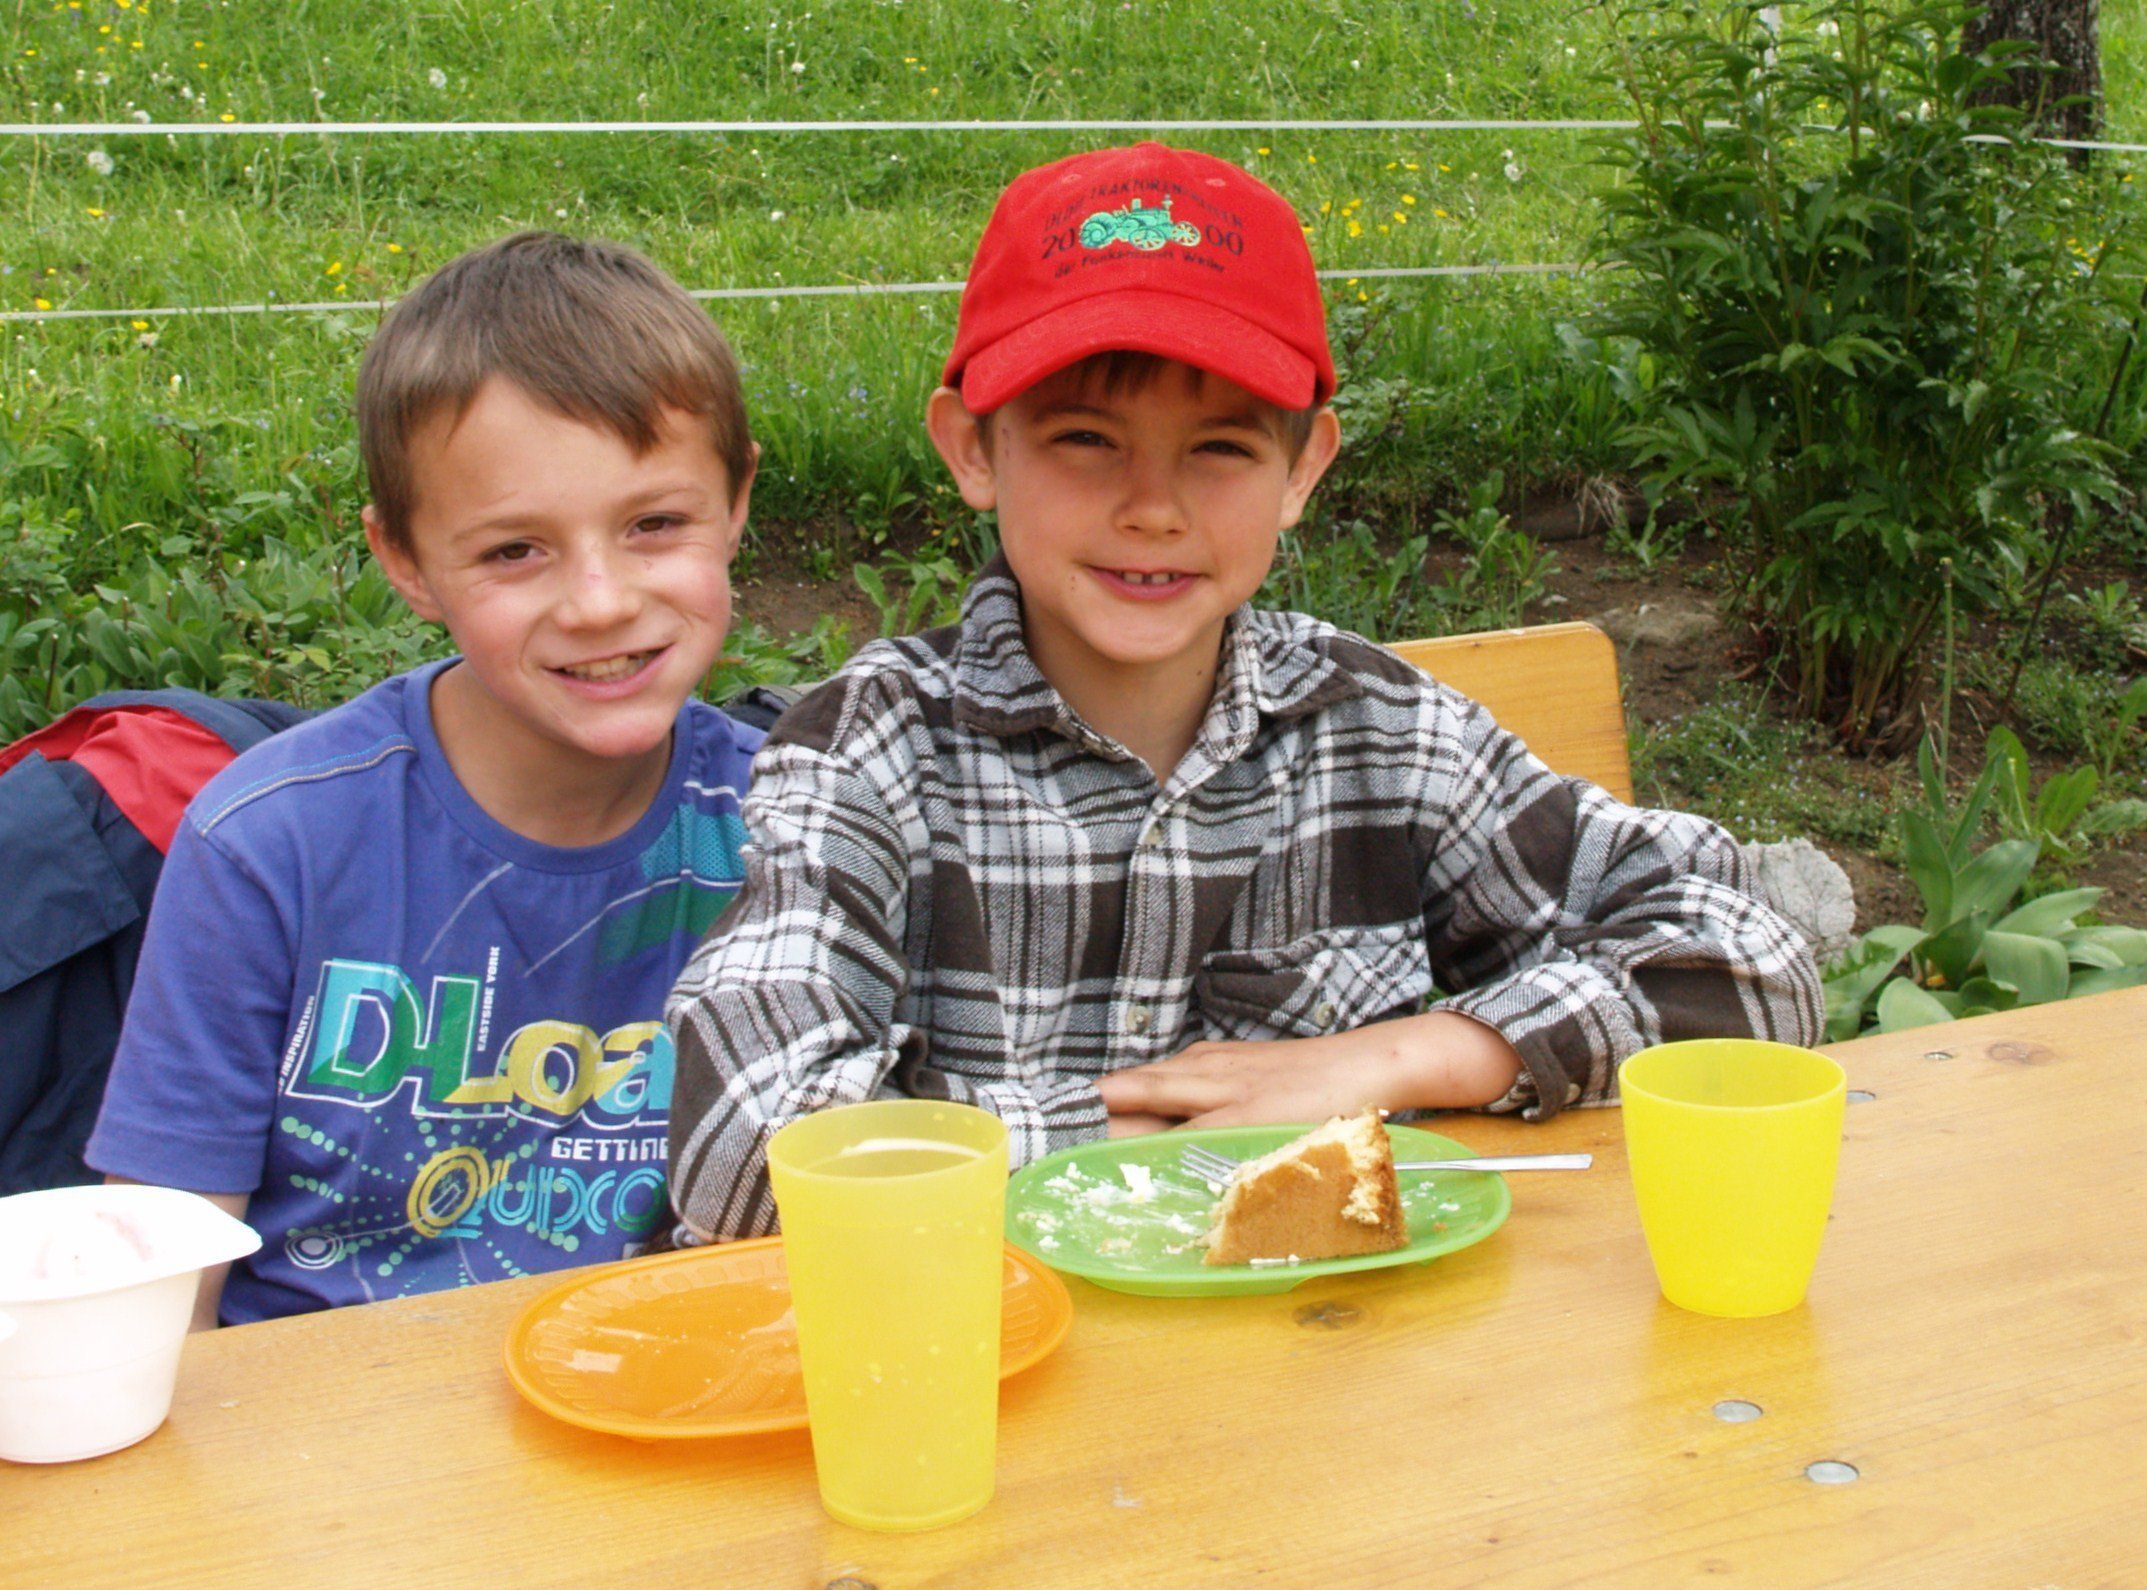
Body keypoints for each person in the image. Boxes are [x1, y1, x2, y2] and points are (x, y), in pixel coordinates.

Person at [663, 143, 1823, 1243]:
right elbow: (737, 1143)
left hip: (1328, 1351)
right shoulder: (870, 748)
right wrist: (1146, 1139)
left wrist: (1392, 1061)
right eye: (1083, 439)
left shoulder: (1381, 735)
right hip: (988, 1353)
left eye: (1219, 449)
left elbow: (1749, 959)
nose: (1152, 509)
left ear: (1302, 469)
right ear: (972, 447)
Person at [85, 232, 764, 1325]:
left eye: (654, 524)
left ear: (735, 503)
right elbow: (157, 1299)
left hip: (670, 1387)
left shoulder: (792, 822)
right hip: (329, 1411)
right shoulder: (269, 847)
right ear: (402, 559)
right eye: (513, 551)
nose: (599, 601)